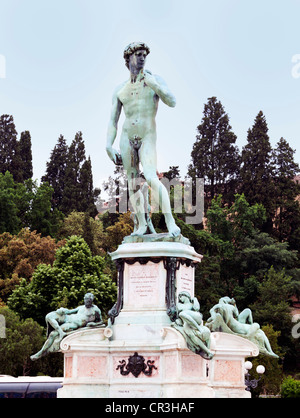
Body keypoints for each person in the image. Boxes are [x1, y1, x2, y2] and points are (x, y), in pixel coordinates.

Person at [106, 42, 181, 237]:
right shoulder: (120, 90)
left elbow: (172, 101)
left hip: (147, 136)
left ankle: (170, 222)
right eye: (138, 54)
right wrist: (108, 145)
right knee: (132, 183)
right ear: (128, 58)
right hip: (126, 138)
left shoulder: (154, 80)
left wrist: (155, 85)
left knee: (150, 177)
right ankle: (141, 225)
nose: (142, 58)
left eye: (144, 55)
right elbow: (113, 121)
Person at [30, 293, 104, 361]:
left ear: (91, 301)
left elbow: (101, 322)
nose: (86, 302)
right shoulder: (81, 307)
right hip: (68, 318)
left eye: (87, 300)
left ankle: (41, 353)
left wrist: (93, 324)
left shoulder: (95, 310)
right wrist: (63, 310)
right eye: (85, 299)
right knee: (49, 316)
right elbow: (70, 311)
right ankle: (60, 333)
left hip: (74, 324)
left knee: (53, 334)